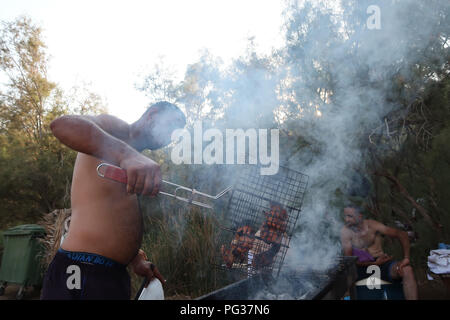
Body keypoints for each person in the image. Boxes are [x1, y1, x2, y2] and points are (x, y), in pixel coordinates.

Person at [40, 101, 186, 300]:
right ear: (152, 115)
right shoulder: (116, 129)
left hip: (111, 276)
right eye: (171, 127)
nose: (170, 138)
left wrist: (135, 261)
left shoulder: (134, 162)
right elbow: (61, 125)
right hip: (81, 269)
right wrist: (127, 154)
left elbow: (110, 215)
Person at [340, 205, 418, 300]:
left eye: (350, 216)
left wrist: (406, 258)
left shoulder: (373, 225)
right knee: (342, 280)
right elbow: (350, 261)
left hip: (381, 264)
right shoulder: (345, 232)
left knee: (407, 270)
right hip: (359, 268)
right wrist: (374, 263)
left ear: (359, 216)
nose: (346, 220)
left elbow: (402, 234)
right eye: (345, 216)